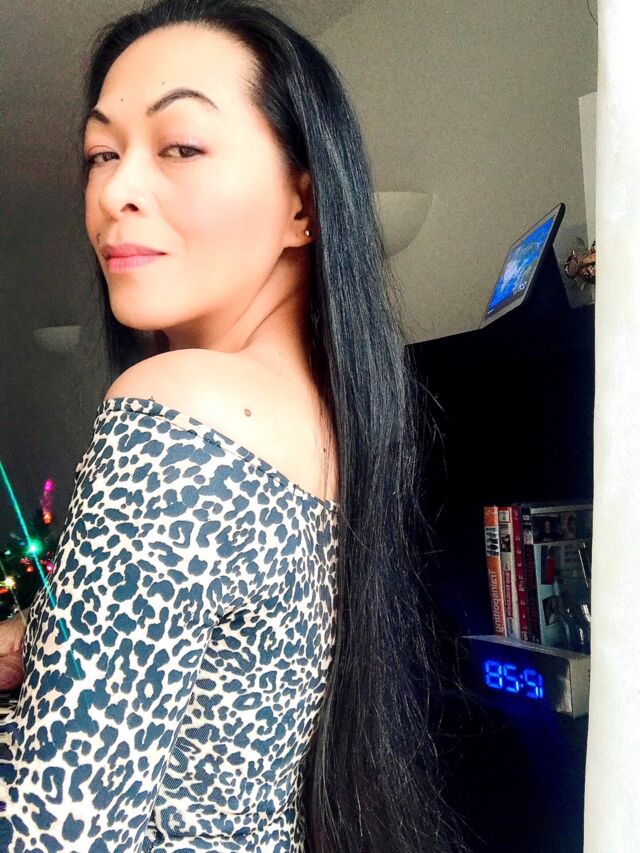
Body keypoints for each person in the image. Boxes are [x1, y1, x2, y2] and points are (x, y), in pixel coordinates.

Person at [0, 2, 467, 851]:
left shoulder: (181, 406)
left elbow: (49, 827)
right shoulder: (323, 424)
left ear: (302, 205)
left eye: (179, 146)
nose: (115, 191)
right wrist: (44, 647)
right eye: (101, 154)